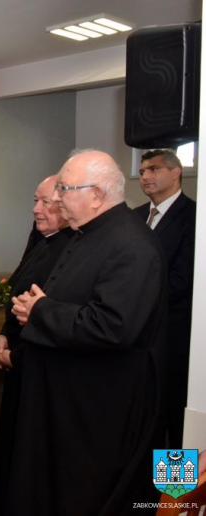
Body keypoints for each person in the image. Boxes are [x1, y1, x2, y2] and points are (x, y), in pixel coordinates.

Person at [8, 150, 166, 515]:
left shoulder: (131, 244)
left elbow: (113, 326)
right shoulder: (88, 232)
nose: (58, 197)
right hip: (73, 394)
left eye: (65, 188)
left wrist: (40, 311)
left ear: (96, 195)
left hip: (103, 405)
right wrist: (37, 307)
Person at [0, 175, 73, 515]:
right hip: (23, 354)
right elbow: (20, 295)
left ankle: (177, 498)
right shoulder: (43, 239)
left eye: (44, 202)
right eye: (35, 201)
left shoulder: (74, 249)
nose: (35, 210)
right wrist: (5, 335)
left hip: (41, 364)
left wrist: (17, 357)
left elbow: (61, 319)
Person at [135, 149, 196, 448]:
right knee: (141, 414)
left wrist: (134, 303)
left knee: (174, 415)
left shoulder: (195, 216)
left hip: (173, 336)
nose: (145, 175)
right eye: (143, 170)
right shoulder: (134, 217)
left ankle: (174, 489)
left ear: (176, 172)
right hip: (134, 336)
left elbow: (184, 280)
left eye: (154, 169)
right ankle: (140, 487)